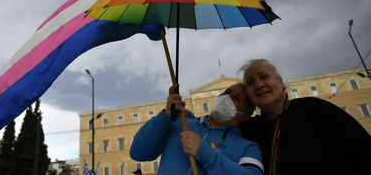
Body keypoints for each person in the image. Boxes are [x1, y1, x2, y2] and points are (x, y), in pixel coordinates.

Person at [239, 59, 371, 175]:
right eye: (250, 83)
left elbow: (363, 150)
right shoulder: (251, 129)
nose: (259, 85)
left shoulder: (315, 109)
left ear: (281, 83)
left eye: (264, 77)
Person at [130, 83, 264, 175]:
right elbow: (138, 152)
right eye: (226, 92)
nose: (226, 97)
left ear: (246, 116)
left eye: (236, 98)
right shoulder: (180, 124)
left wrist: (204, 152)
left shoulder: (248, 147)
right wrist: (165, 117)